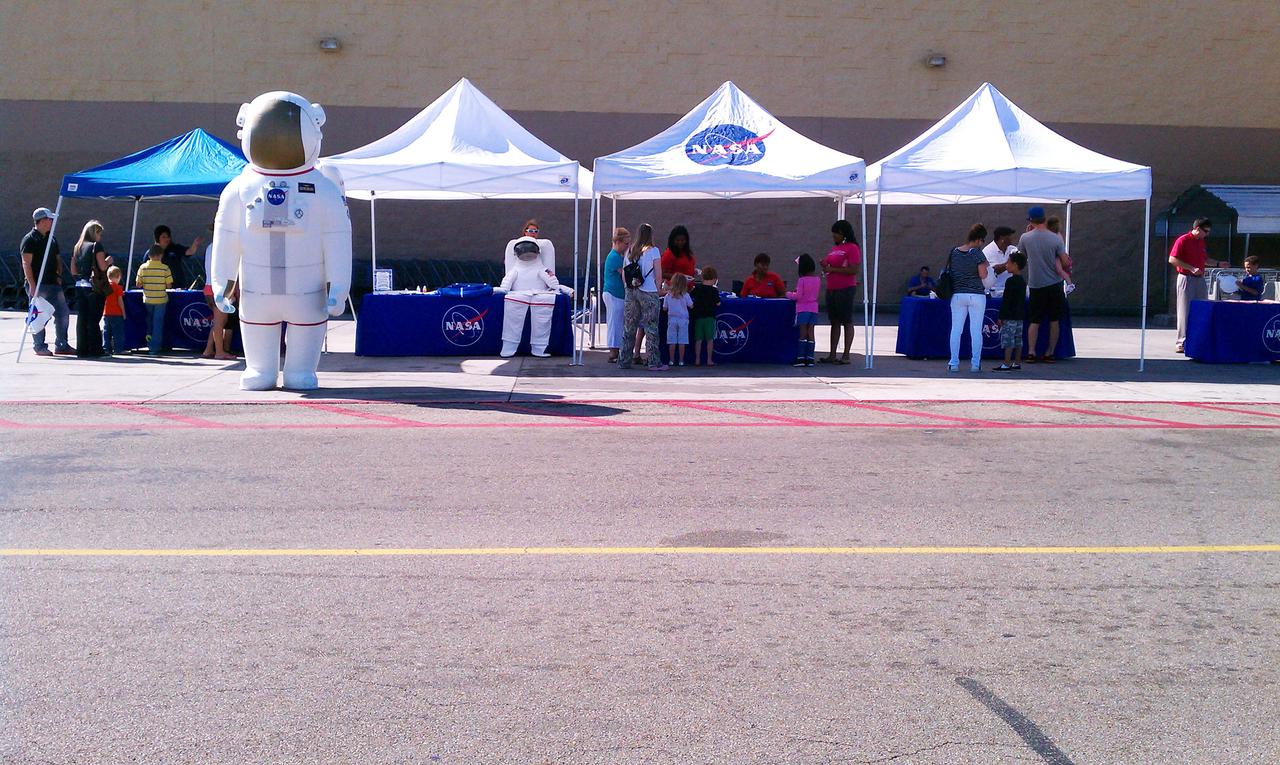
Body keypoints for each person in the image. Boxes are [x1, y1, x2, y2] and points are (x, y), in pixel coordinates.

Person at [1018, 206, 1072, 363]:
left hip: (1035, 284)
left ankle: (1031, 352)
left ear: (1030, 220)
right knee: (1054, 320)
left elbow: (1021, 257)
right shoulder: (1055, 238)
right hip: (1054, 284)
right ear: (1044, 218)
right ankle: (1050, 352)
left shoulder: (1025, 238)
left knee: (1034, 320)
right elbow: (1064, 261)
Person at [1168, 218, 1227, 354]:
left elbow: (1204, 260)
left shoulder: (1201, 242)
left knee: (1202, 308)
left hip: (1200, 279)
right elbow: (1172, 259)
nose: (1206, 234)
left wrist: (1218, 264)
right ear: (1197, 229)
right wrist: (1191, 268)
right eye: (1205, 231)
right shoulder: (1183, 240)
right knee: (1185, 311)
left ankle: (1198, 340)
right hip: (1186, 278)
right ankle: (1181, 342)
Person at [21, 207, 73, 356]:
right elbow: (26, 263)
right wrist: (32, 284)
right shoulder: (29, 240)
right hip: (38, 284)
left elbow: (57, 258)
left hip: (53, 283)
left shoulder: (52, 238)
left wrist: (59, 275)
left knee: (63, 312)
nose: (51, 222)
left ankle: (62, 344)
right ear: (42, 221)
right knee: (39, 314)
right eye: (49, 219)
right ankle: (39, 346)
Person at [619, 223, 664, 370]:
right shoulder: (654, 251)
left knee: (629, 327)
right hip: (649, 291)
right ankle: (653, 361)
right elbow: (658, 275)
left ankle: (624, 360)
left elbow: (625, 273)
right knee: (651, 327)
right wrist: (658, 290)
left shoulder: (630, 250)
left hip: (631, 291)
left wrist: (629, 287)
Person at [946, 224, 991, 373]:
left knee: (956, 330)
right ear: (979, 239)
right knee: (975, 331)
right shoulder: (977, 253)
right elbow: (983, 274)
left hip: (958, 294)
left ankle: (953, 363)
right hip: (976, 295)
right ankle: (975, 364)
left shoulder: (954, 252)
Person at [821, 220, 861, 364]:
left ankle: (846, 355)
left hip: (845, 289)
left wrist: (833, 269)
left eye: (836, 233)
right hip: (832, 287)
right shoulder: (835, 248)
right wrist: (825, 264)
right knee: (834, 321)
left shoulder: (852, 248)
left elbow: (853, 269)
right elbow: (830, 263)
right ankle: (832, 354)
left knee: (846, 320)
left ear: (843, 233)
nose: (833, 236)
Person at [71, 219, 112, 358]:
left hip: (80, 285)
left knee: (82, 318)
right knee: (94, 319)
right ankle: (96, 350)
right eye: (99, 234)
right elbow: (102, 266)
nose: (100, 237)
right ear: (95, 233)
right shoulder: (97, 246)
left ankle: (82, 350)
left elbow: (73, 270)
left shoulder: (78, 246)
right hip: (94, 286)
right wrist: (109, 261)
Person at [201, 223, 235, 360]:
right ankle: (220, 352)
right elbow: (229, 270)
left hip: (209, 286)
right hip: (221, 287)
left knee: (217, 321)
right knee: (221, 322)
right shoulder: (224, 248)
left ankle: (208, 349)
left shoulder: (210, 247)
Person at [136, 244, 173, 356]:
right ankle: (154, 348)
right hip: (161, 299)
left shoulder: (142, 268)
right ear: (161, 255)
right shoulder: (165, 268)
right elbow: (169, 285)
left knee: (149, 321)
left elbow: (138, 284)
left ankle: (148, 339)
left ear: (149, 255)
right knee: (158, 323)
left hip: (147, 299)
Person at [993, 251, 1028, 372]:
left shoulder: (1010, 281)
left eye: (1008, 262)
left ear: (1015, 264)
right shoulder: (1022, 281)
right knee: (1018, 340)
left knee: (1008, 340)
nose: (1006, 265)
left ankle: (1006, 363)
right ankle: (1017, 362)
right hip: (1019, 316)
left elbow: (1006, 300)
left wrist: (1001, 316)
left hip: (1009, 316)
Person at [602, 227, 630, 362]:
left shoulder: (617, 256)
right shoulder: (614, 257)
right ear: (618, 242)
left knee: (617, 322)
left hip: (616, 293)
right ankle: (613, 351)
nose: (627, 246)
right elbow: (624, 274)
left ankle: (616, 350)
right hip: (614, 293)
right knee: (615, 323)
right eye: (626, 243)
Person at [787, 253, 820, 367]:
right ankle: (810, 358)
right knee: (811, 332)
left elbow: (798, 296)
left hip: (803, 309)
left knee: (802, 333)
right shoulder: (817, 279)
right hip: (814, 308)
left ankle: (801, 357)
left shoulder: (802, 280)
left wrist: (787, 294)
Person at [690, 265, 721, 366]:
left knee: (698, 340)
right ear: (714, 279)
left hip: (698, 317)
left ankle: (697, 359)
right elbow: (718, 303)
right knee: (709, 339)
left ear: (702, 277)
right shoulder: (714, 290)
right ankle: (709, 360)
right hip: (709, 317)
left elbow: (691, 297)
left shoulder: (697, 288)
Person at [663, 273, 693, 366]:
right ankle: (681, 360)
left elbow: (664, 308)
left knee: (672, 341)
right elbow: (691, 306)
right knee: (682, 341)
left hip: (672, 319)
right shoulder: (685, 295)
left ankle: (671, 360)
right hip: (683, 320)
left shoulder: (668, 295)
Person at [981, 226, 1017, 296]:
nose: (1012, 237)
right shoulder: (987, 251)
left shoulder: (1012, 249)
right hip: (994, 292)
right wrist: (1009, 264)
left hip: (1010, 290)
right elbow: (991, 271)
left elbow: (1021, 261)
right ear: (1002, 238)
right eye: (1009, 236)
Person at [101, 265, 127, 355]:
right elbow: (120, 301)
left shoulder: (104, 286)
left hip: (106, 313)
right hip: (116, 313)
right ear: (118, 277)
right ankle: (118, 349)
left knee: (106, 332)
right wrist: (123, 312)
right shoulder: (118, 288)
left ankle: (106, 348)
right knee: (118, 332)